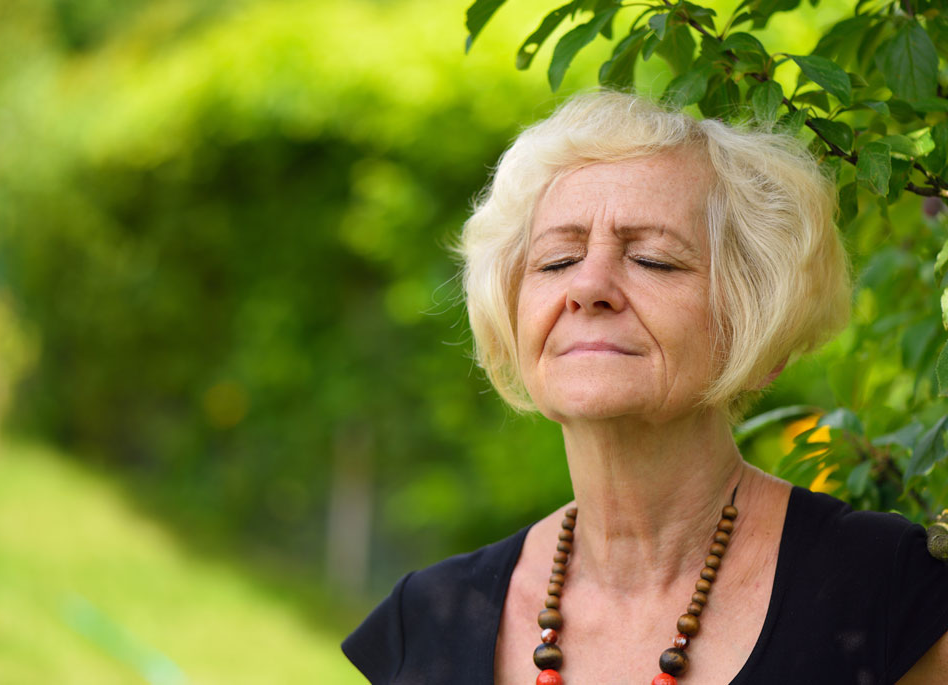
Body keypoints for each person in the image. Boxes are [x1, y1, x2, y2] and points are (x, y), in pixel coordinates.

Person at [341, 90, 948, 684]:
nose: (588, 286)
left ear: (754, 319)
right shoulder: (423, 623)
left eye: (654, 260)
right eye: (556, 262)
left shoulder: (889, 597)